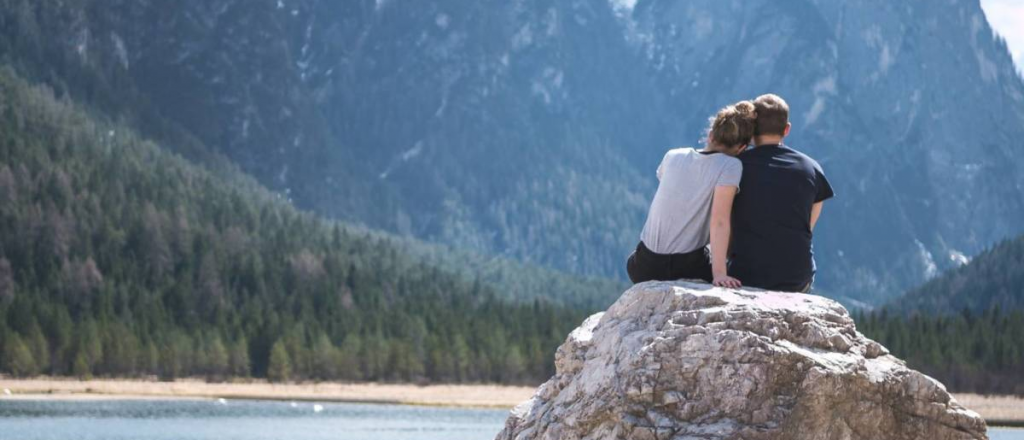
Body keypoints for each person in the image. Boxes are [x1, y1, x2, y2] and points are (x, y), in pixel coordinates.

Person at [626, 101, 756, 288]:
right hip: (685, 266)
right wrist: (719, 274)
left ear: (711, 135)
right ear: (741, 148)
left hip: (643, 265)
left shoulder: (673, 155)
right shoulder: (730, 166)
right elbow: (720, 221)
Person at [728, 94, 835, 293]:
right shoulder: (811, 168)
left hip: (745, 275)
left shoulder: (734, 167)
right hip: (797, 278)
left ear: (751, 129)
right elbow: (807, 226)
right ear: (786, 129)